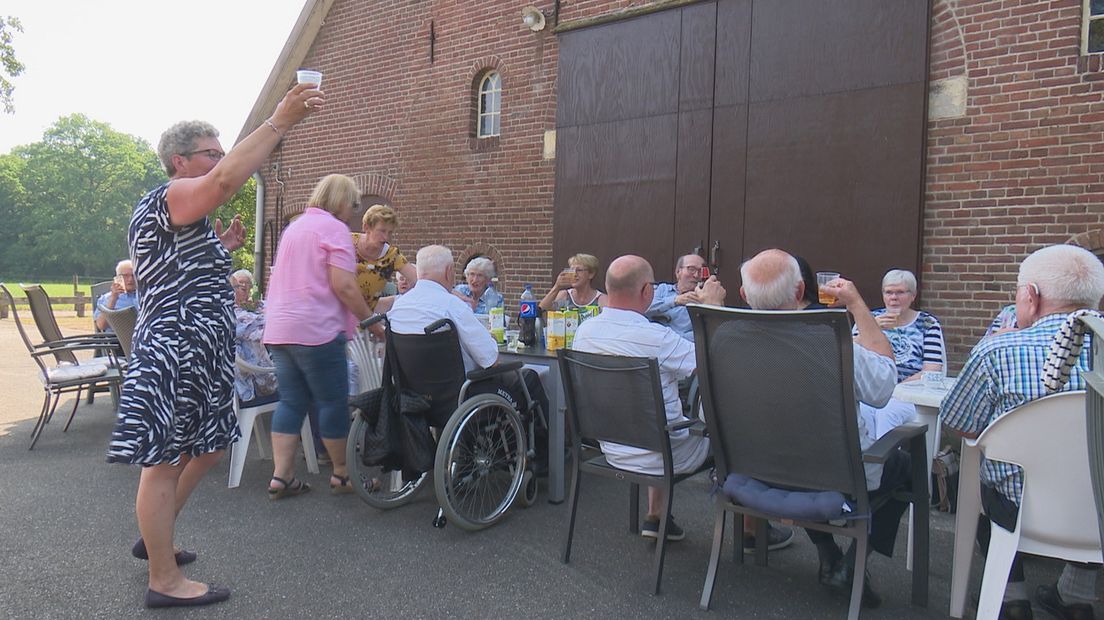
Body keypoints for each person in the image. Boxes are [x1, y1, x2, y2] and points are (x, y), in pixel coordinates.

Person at [105, 82, 321, 608]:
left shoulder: (185, 215)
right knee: (162, 461)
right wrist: (279, 121)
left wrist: (218, 247)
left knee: (208, 446)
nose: (222, 160)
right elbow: (224, 183)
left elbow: (177, 267)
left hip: (197, 347)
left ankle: (155, 539)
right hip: (176, 345)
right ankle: (164, 580)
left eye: (222, 152)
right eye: (211, 152)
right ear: (179, 160)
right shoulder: (174, 195)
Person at [941, 244, 1104, 620]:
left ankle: (1011, 597)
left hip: (1021, 509)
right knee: (1093, 475)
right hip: (1098, 511)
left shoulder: (998, 351)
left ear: (1031, 296)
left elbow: (960, 423)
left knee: (988, 481)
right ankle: (1076, 597)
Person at [738, 249, 905, 608]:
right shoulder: (833, 342)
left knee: (803, 452)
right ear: (801, 293)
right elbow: (882, 388)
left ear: (742, 296)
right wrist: (859, 305)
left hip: (757, 471)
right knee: (904, 465)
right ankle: (850, 563)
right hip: (830, 477)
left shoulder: (724, 342)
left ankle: (827, 551)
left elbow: (706, 414)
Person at [572, 255, 735, 543]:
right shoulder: (657, 338)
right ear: (647, 291)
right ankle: (752, 534)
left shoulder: (584, 332)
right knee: (731, 433)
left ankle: (656, 516)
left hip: (612, 447)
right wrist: (713, 307)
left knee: (659, 417)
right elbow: (718, 362)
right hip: (666, 454)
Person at [263, 174, 373, 500]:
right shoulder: (334, 229)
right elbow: (344, 285)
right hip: (317, 330)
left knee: (291, 401)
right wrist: (371, 320)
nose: (353, 213)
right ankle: (343, 474)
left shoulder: (294, 228)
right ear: (341, 201)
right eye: (353, 205)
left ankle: (281, 477)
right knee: (332, 402)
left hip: (280, 329)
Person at [387, 245, 550, 454]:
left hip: (411, 396)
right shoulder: (451, 306)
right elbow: (490, 360)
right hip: (459, 396)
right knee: (528, 379)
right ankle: (544, 456)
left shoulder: (399, 307)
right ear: (448, 272)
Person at [853, 269, 946, 438]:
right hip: (871, 392)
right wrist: (872, 329)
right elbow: (849, 353)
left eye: (900, 292)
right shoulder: (869, 319)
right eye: (888, 292)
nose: (893, 298)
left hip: (908, 395)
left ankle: (886, 462)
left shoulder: (927, 323)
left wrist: (895, 389)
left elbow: (932, 370)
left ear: (913, 295)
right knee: (862, 413)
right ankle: (865, 462)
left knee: (887, 413)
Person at [351, 204, 417, 315]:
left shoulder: (392, 255)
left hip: (364, 319)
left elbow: (421, 280)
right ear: (366, 227)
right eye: (382, 231)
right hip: (336, 316)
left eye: (390, 232)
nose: (386, 237)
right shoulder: (347, 242)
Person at [230, 269, 276, 404]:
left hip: (259, 375)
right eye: (239, 284)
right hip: (258, 383)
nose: (244, 287)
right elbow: (267, 330)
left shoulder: (254, 307)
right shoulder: (237, 315)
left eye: (247, 284)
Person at [644, 253, 709, 341]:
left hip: (681, 347)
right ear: (678, 272)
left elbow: (705, 333)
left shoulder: (704, 298)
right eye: (691, 269)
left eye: (700, 271)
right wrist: (675, 300)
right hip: (651, 342)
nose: (696, 275)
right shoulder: (663, 289)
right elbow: (644, 308)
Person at [538, 253, 608, 312]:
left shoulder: (601, 300)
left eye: (579, 270)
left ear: (591, 274)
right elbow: (543, 311)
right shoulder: (565, 297)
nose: (574, 274)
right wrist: (556, 287)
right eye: (571, 270)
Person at [94, 259, 139, 331]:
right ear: (118, 278)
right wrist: (113, 298)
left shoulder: (144, 297)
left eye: (133, 275)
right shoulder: (106, 298)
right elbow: (101, 325)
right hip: (116, 339)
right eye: (125, 276)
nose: (130, 279)